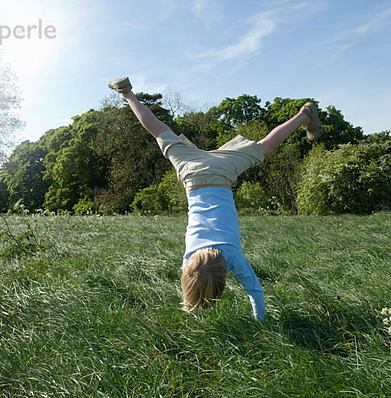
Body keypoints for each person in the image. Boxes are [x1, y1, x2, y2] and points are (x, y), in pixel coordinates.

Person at [108, 77, 323, 320]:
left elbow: (255, 291)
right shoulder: (188, 259)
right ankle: (127, 94)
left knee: (264, 147)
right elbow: (192, 279)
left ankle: (304, 115)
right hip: (193, 171)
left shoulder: (231, 255)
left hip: (222, 171)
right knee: (159, 131)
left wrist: (261, 323)